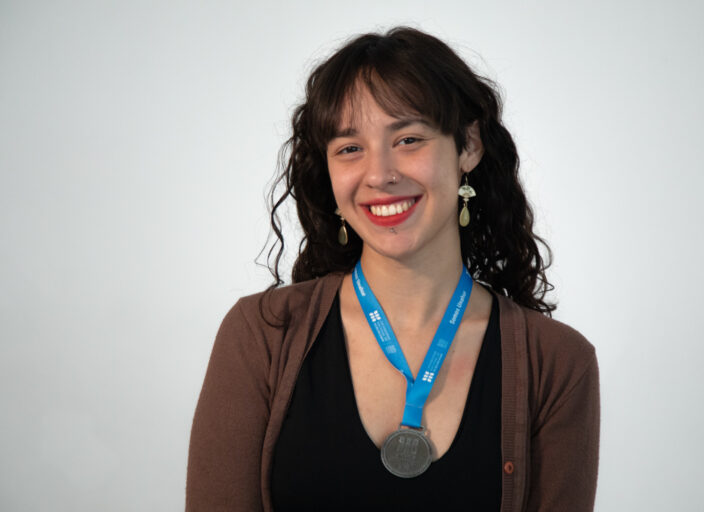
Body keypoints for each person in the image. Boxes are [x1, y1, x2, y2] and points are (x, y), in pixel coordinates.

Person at [186, 27, 599, 511]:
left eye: (408, 139)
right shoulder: (261, 336)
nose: (380, 174)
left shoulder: (558, 363)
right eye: (349, 148)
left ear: (468, 145)